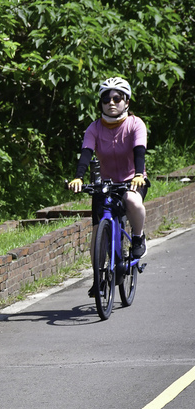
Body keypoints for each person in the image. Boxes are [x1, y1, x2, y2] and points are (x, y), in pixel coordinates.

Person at [68, 77, 150, 296]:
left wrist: (139, 174)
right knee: (97, 233)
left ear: (126, 101)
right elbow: (86, 153)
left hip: (132, 179)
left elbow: (139, 150)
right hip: (104, 184)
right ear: (101, 103)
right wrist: (78, 177)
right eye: (106, 99)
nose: (111, 103)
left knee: (132, 200)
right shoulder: (94, 128)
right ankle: (98, 277)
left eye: (117, 98)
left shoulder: (135, 124)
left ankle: (138, 237)